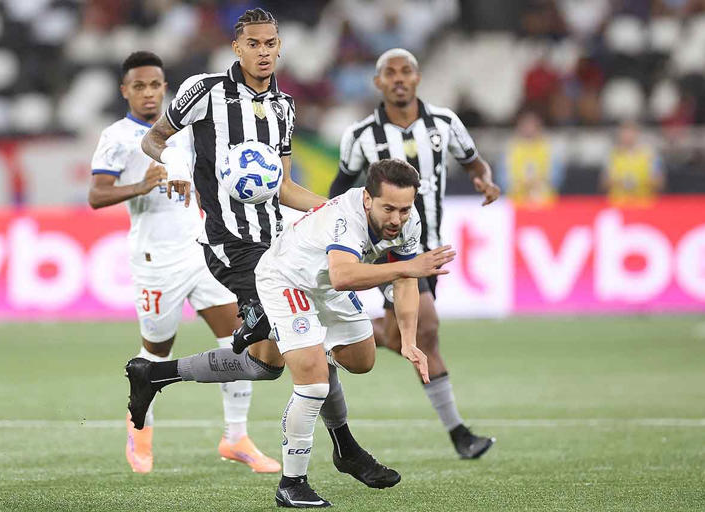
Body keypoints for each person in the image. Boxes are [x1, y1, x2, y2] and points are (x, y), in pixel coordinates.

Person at [136, 7, 399, 494]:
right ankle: (341, 451)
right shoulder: (204, 90)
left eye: (270, 43)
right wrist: (172, 166)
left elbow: (285, 187)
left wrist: (341, 210)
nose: (263, 52)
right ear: (237, 47)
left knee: (271, 362)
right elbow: (154, 139)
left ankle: (155, 374)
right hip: (231, 245)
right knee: (305, 352)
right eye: (253, 44)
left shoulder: (284, 107)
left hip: (280, 242)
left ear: (280, 47)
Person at [126, 159, 456, 507]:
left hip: (325, 284)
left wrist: (408, 340)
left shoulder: (409, 221)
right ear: (367, 198)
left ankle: (155, 374)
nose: (397, 219)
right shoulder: (346, 217)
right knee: (312, 382)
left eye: (404, 210)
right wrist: (408, 267)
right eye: (388, 209)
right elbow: (347, 275)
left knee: (358, 361)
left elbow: (405, 281)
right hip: (286, 279)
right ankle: (292, 484)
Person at [88, 51, 278, 474]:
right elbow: (96, 195)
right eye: (139, 86)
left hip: (202, 250)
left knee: (237, 341)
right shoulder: (117, 136)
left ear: (165, 88)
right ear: (125, 91)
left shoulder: (186, 129)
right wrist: (139, 186)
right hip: (156, 260)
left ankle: (236, 437)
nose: (149, 93)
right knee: (156, 351)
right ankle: (140, 430)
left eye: (155, 85)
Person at [329, 48, 499, 460]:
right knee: (428, 328)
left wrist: (485, 181)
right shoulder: (360, 135)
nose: (399, 78)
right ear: (379, 82)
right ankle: (459, 433)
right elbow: (339, 190)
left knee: (398, 335)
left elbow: (474, 163)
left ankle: (329, 335)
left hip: (430, 247)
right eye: (390, 73)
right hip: (388, 249)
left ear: (418, 77)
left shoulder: (445, 123)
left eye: (406, 71)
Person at [497, 110, 565, 208]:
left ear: (539, 127)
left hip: (545, 202)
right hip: (515, 202)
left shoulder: (550, 148)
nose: (529, 129)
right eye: (526, 125)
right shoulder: (510, 149)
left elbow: (556, 178)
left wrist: (538, 183)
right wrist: (521, 185)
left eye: (532, 125)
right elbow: (502, 180)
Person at [601, 120, 665, 207]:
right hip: (618, 205)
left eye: (631, 132)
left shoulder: (650, 155)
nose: (628, 136)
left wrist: (639, 181)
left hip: (644, 204)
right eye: (625, 133)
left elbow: (660, 183)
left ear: (637, 134)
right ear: (620, 135)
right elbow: (604, 183)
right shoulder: (612, 156)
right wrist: (622, 182)